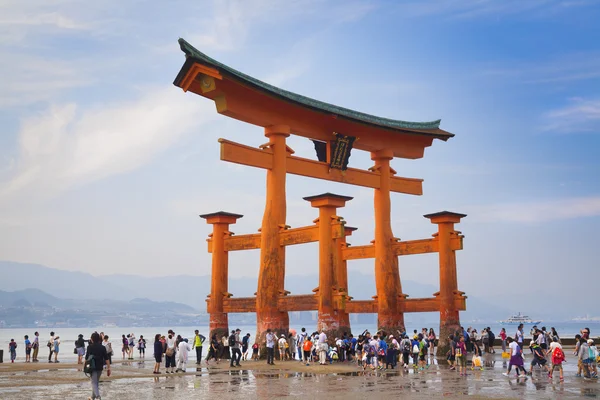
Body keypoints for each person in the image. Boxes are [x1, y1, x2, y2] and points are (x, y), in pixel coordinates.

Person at [85, 332, 111, 400]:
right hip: (100, 366)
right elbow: (106, 358)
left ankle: (98, 397)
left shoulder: (89, 347)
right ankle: (92, 397)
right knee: (95, 382)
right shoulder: (102, 347)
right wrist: (109, 368)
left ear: (92, 339)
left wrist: (84, 366)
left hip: (92, 367)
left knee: (94, 382)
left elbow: (86, 358)